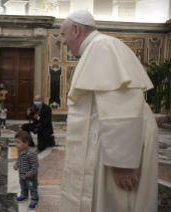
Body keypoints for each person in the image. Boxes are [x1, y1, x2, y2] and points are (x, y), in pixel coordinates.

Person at [59, 10, 158, 212]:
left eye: (63, 34)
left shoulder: (104, 47)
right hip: (108, 143)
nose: (63, 41)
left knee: (116, 200)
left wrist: (123, 163)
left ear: (76, 30)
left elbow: (122, 108)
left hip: (114, 149)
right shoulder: (97, 48)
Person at [14, 131, 39, 210]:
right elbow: (19, 159)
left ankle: (34, 200)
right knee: (23, 186)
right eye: (15, 142)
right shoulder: (19, 151)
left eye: (18, 142)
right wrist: (16, 164)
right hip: (22, 175)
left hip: (30, 177)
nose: (16, 144)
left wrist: (30, 173)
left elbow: (35, 165)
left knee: (32, 189)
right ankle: (24, 196)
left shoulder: (31, 153)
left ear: (26, 143)